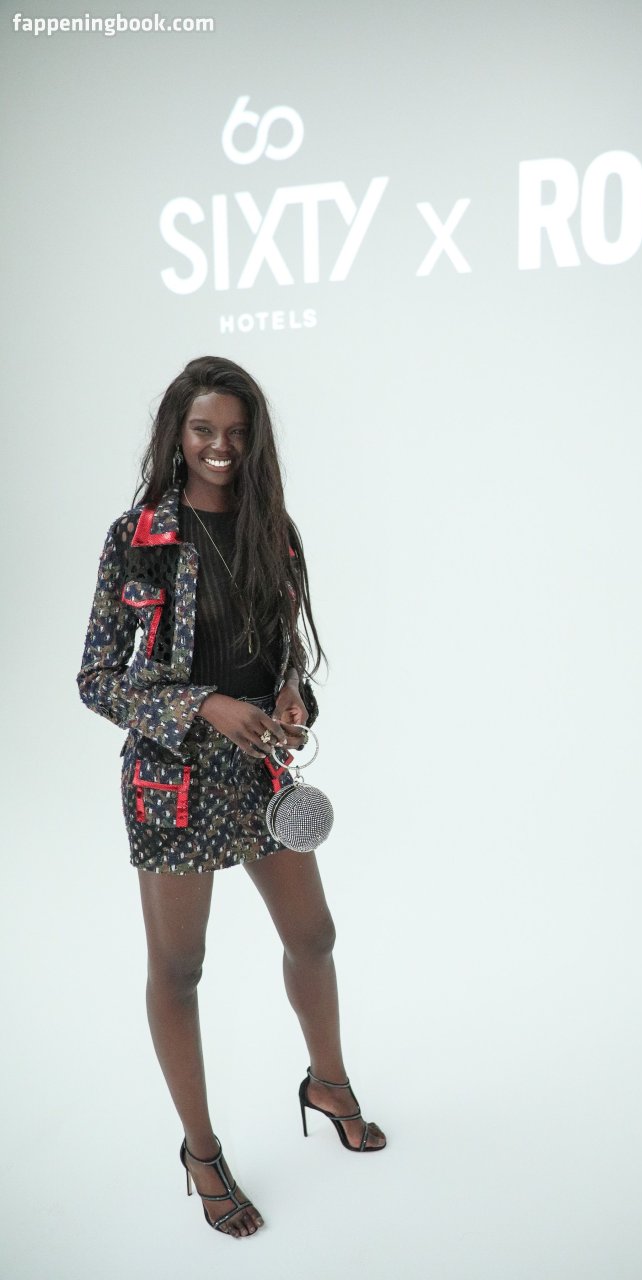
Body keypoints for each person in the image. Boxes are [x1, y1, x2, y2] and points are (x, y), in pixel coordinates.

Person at [76, 356, 386, 1240]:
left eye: (238, 433)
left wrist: (292, 698)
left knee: (313, 936)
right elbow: (97, 678)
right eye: (205, 429)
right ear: (177, 433)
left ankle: (326, 1084)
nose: (222, 446)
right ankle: (202, 1153)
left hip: (261, 770)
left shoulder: (272, 531)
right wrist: (202, 705)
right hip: (174, 780)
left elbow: (284, 654)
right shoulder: (138, 536)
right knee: (180, 969)